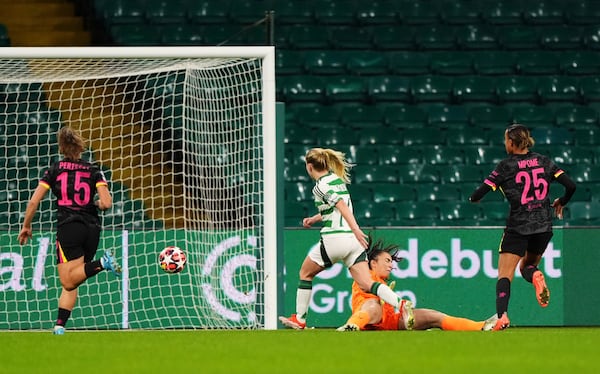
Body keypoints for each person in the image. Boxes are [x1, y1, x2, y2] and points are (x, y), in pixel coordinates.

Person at [279, 147, 413, 330]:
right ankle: (402, 304)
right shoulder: (337, 181)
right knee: (367, 284)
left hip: (336, 238)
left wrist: (357, 229)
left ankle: (300, 320)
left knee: (305, 274)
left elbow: (341, 205)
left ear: (310, 167)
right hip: (352, 242)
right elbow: (337, 208)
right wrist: (315, 218)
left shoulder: (319, 187)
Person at [469, 123, 576, 331]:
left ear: (511, 142)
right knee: (527, 267)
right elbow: (571, 185)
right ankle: (535, 275)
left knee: (505, 274)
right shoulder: (544, 161)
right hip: (544, 225)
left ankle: (502, 317)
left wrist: (474, 198)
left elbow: (478, 194)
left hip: (518, 226)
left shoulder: (505, 166)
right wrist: (562, 201)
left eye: (505, 140)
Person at [18, 126, 122, 335]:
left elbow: (33, 201)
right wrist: (98, 204)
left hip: (69, 227)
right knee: (72, 280)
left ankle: (103, 263)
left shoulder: (54, 169)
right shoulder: (93, 170)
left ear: (61, 147)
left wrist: (27, 225)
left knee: (67, 278)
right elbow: (107, 202)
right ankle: (59, 326)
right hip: (92, 228)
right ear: (80, 146)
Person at [337, 237, 497, 331]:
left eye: (391, 262)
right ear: (372, 263)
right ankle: (351, 326)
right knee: (372, 305)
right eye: (387, 261)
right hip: (369, 320)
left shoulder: (381, 281)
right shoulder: (365, 275)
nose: (391, 265)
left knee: (433, 316)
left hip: (389, 321)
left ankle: (481, 326)